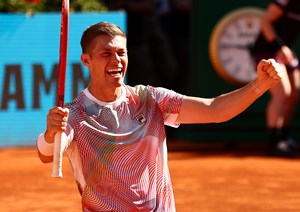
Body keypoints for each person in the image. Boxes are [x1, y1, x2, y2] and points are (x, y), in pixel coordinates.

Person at [36, 22, 282, 211]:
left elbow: (215, 109)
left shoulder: (151, 99)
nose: (117, 61)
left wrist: (258, 86)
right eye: (106, 54)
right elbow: (47, 154)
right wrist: (51, 133)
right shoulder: (75, 114)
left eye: (121, 53)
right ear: (86, 60)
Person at [252, 0, 300, 157]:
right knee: (282, 93)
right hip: (267, 50)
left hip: (287, 52)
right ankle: (273, 144)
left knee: (293, 95)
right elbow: (265, 21)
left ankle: (283, 140)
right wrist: (279, 47)